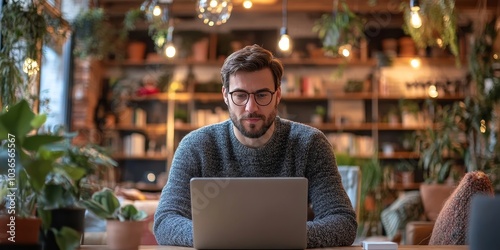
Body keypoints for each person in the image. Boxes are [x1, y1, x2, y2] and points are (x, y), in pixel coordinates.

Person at [153, 44, 357, 248]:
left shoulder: (310, 144)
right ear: (225, 96)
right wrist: (220, 236)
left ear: (277, 95)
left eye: (262, 95)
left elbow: (343, 222)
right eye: (240, 95)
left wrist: (277, 236)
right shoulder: (195, 146)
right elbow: (165, 221)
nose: (251, 108)